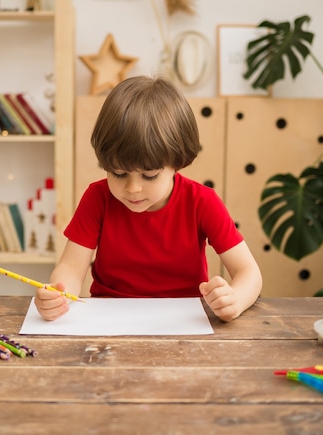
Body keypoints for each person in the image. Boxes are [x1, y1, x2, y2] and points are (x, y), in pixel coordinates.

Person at [35, 75, 262, 322]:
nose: (132, 188)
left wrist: (235, 300)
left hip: (184, 323)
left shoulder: (202, 202)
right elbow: (71, 268)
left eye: (150, 175)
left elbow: (248, 272)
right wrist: (59, 294)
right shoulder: (97, 198)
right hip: (109, 320)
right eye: (118, 173)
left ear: (177, 163)